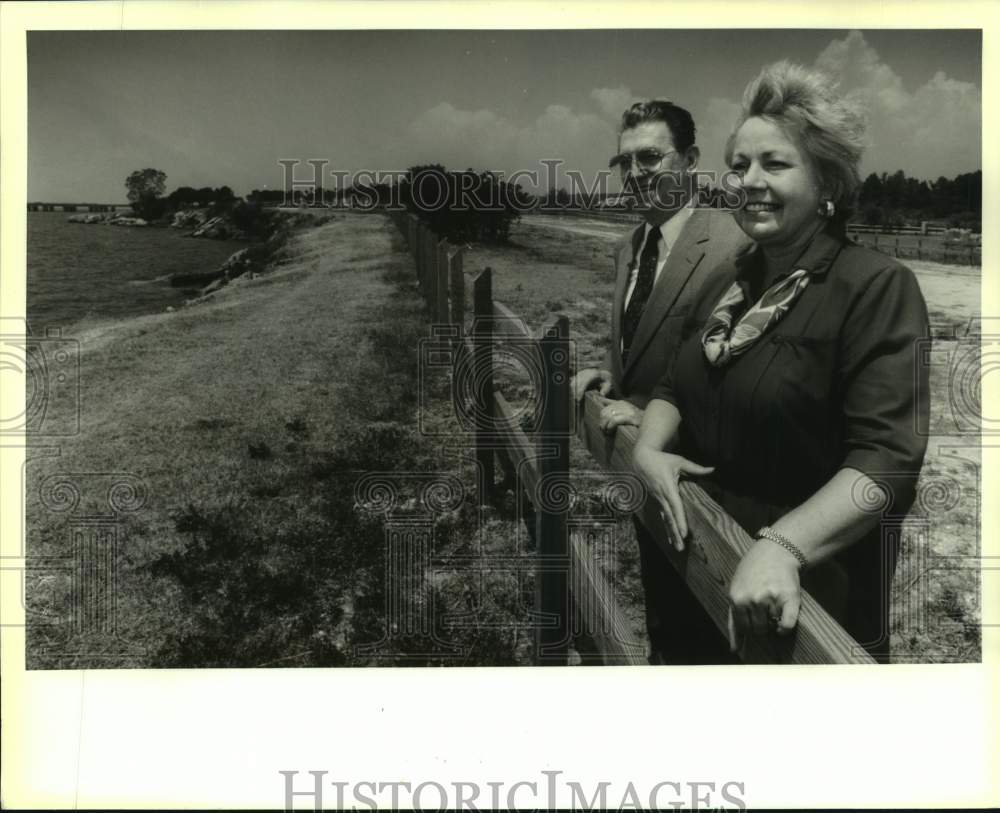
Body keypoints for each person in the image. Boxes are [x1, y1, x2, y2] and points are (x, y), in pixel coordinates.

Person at [632, 61, 930, 662]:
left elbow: (889, 459)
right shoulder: (731, 278)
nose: (748, 180)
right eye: (739, 165)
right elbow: (673, 381)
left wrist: (783, 547)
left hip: (803, 599)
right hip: (701, 568)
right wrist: (648, 449)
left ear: (826, 184)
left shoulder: (874, 288)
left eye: (775, 163)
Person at [569, 99, 749, 663]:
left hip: (709, 484)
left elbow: (740, 372)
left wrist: (655, 413)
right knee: (666, 622)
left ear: (691, 159)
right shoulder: (631, 246)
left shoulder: (734, 244)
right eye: (624, 162)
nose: (635, 174)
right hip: (648, 477)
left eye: (650, 157)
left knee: (712, 643)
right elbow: (652, 339)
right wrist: (614, 374)